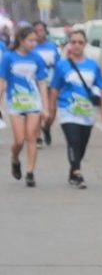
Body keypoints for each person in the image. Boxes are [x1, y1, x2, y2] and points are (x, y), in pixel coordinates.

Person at [48, 29, 102, 189]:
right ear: (69, 44)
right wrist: (51, 108)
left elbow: (100, 86)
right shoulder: (62, 65)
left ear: (85, 44)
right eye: (73, 42)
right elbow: (55, 88)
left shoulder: (93, 65)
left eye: (80, 42)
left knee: (81, 144)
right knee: (73, 141)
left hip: (86, 112)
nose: (76, 45)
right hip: (67, 110)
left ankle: (72, 171)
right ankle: (78, 172)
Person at [0, 26, 48, 187]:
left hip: (33, 102)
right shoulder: (9, 57)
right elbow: (2, 81)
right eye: (30, 40)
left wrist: (46, 107)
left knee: (31, 137)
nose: (34, 44)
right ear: (21, 40)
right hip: (15, 102)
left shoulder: (37, 58)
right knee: (19, 140)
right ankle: (15, 158)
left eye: (35, 41)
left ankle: (30, 172)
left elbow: (42, 83)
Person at [33, 21, 60, 147]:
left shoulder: (52, 47)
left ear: (45, 31)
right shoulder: (32, 47)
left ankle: (46, 127)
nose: (39, 33)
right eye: (36, 30)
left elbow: (58, 64)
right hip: (36, 83)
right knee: (38, 109)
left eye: (41, 30)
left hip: (52, 82)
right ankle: (37, 136)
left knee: (52, 111)